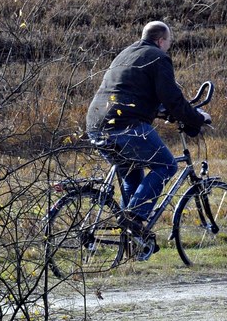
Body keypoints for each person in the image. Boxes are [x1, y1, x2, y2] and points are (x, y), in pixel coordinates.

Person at [86, 20, 211, 258]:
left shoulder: (127, 52)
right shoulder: (158, 57)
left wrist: (161, 111)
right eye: (169, 43)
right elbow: (172, 97)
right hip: (125, 124)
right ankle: (133, 219)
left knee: (132, 174)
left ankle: (133, 240)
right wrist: (196, 118)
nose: (168, 48)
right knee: (165, 165)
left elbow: (134, 90)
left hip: (96, 123)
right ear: (161, 41)